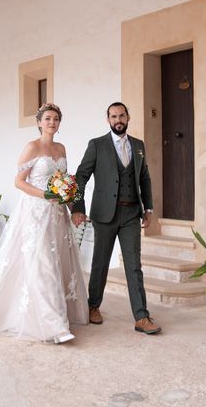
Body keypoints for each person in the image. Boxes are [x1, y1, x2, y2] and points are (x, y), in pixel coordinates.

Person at [0, 103, 88, 343]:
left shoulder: (61, 148)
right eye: (47, 119)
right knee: (43, 264)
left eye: (56, 119)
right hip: (36, 213)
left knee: (57, 262)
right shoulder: (32, 147)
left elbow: (64, 181)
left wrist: (72, 207)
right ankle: (54, 325)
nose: (52, 123)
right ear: (39, 122)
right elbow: (19, 182)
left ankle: (59, 314)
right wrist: (43, 195)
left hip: (57, 216)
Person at [71, 102, 161, 334]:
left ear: (128, 117)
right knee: (100, 263)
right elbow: (81, 177)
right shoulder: (97, 145)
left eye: (121, 115)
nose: (117, 119)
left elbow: (145, 178)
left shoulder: (138, 145)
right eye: (113, 116)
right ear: (108, 119)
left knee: (134, 266)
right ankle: (93, 306)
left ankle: (141, 316)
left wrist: (148, 208)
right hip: (104, 214)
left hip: (131, 212)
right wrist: (77, 207)